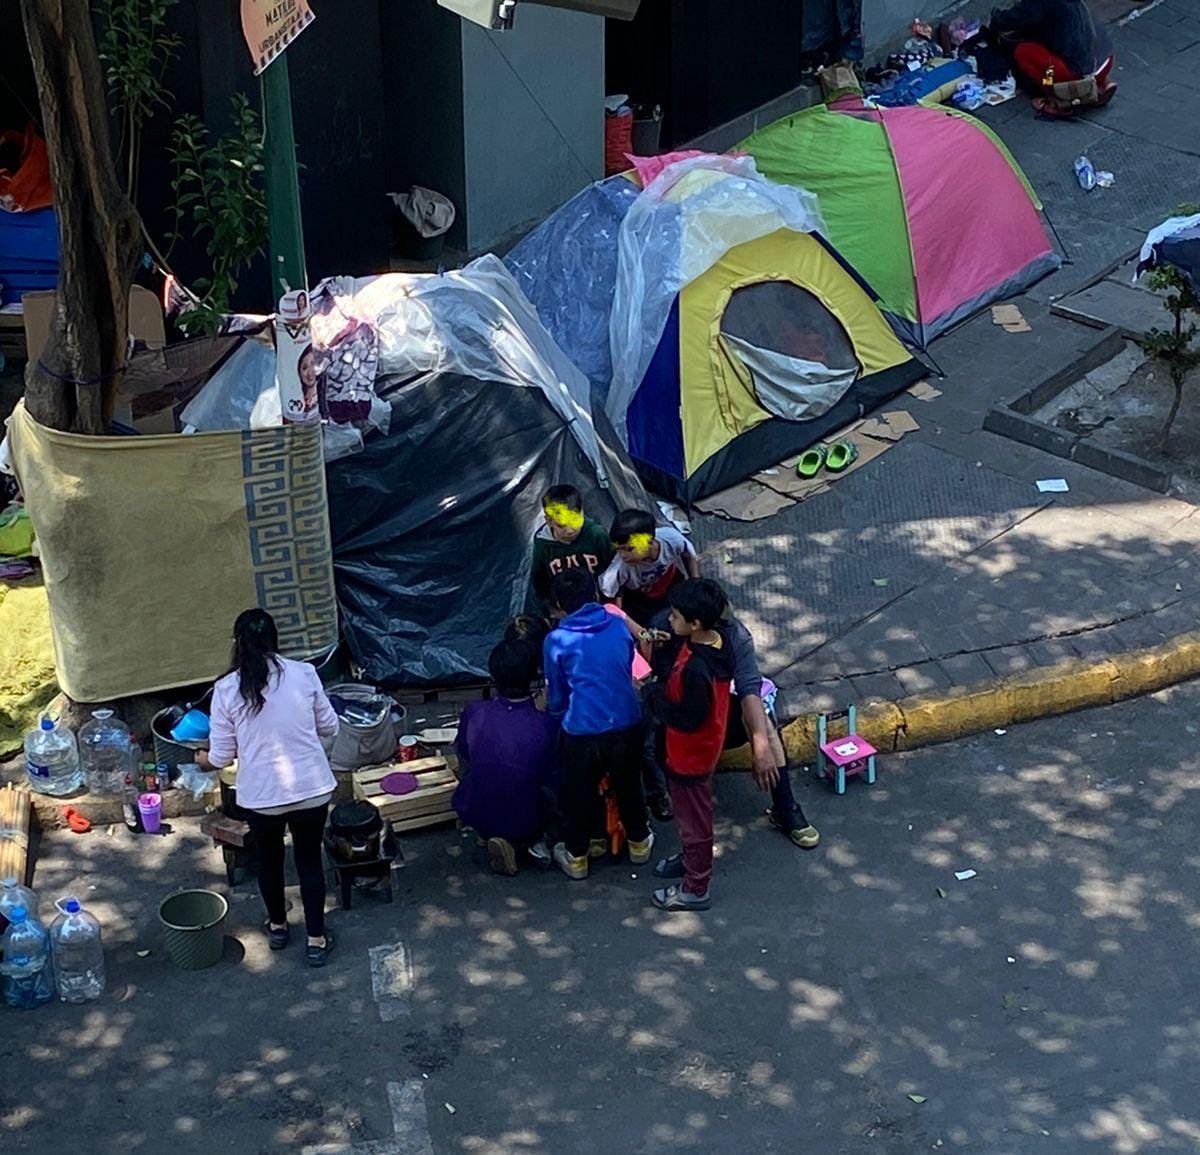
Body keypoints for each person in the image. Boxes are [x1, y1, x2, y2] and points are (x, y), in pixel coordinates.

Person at [197, 609, 339, 966]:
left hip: (262, 797)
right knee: (309, 861)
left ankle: (277, 927)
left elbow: (221, 755)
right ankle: (317, 939)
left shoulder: (226, 688)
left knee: (269, 862)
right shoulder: (304, 674)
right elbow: (331, 727)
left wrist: (202, 759)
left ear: (237, 645)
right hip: (312, 788)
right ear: (276, 640)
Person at [543, 569, 654, 880]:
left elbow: (557, 694)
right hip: (626, 721)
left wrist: (557, 716)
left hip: (582, 730)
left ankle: (577, 856)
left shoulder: (556, 640)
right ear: (595, 596)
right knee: (630, 784)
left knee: (577, 791)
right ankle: (639, 842)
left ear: (559, 606)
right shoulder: (618, 626)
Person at [645, 579, 735, 911]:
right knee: (688, 816)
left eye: (675, 615)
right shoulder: (713, 642)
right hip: (693, 749)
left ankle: (696, 887)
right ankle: (689, 860)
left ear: (695, 624)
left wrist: (652, 694)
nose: (669, 620)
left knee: (694, 822)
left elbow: (686, 718)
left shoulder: (699, 670)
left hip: (690, 756)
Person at [452, 640, 561, 876]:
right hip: (525, 818)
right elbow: (552, 779)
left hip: (471, 807)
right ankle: (523, 841)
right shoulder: (546, 725)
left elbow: (465, 752)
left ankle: (489, 830)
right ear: (534, 678)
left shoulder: (474, 711)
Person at [721, 611, 820, 851]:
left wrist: (761, 746)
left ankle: (786, 807)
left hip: (724, 709)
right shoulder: (670, 629)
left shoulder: (735, 637)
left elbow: (748, 690)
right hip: (687, 714)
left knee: (764, 723)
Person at [991, 0, 1114, 98]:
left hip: (1073, 74)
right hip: (1105, 60)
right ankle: (1100, 81)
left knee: (1023, 51)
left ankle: (1051, 93)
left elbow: (1019, 17)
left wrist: (996, 20)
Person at [599, 509, 700, 627]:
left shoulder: (671, 540)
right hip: (640, 600)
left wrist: (695, 581)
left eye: (629, 549)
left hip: (672, 583)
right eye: (619, 549)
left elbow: (689, 555)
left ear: (650, 541)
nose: (623, 555)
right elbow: (611, 598)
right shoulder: (619, 568)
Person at [529, 485, 614, 613]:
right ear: (548, 521)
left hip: (598, 601)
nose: (570, 530)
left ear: (582, 512)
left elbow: (612, 568)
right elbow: (540, 583)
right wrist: (553, 609)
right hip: (565, 608)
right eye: (561, 526)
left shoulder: (596, 535)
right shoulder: (543, 546)